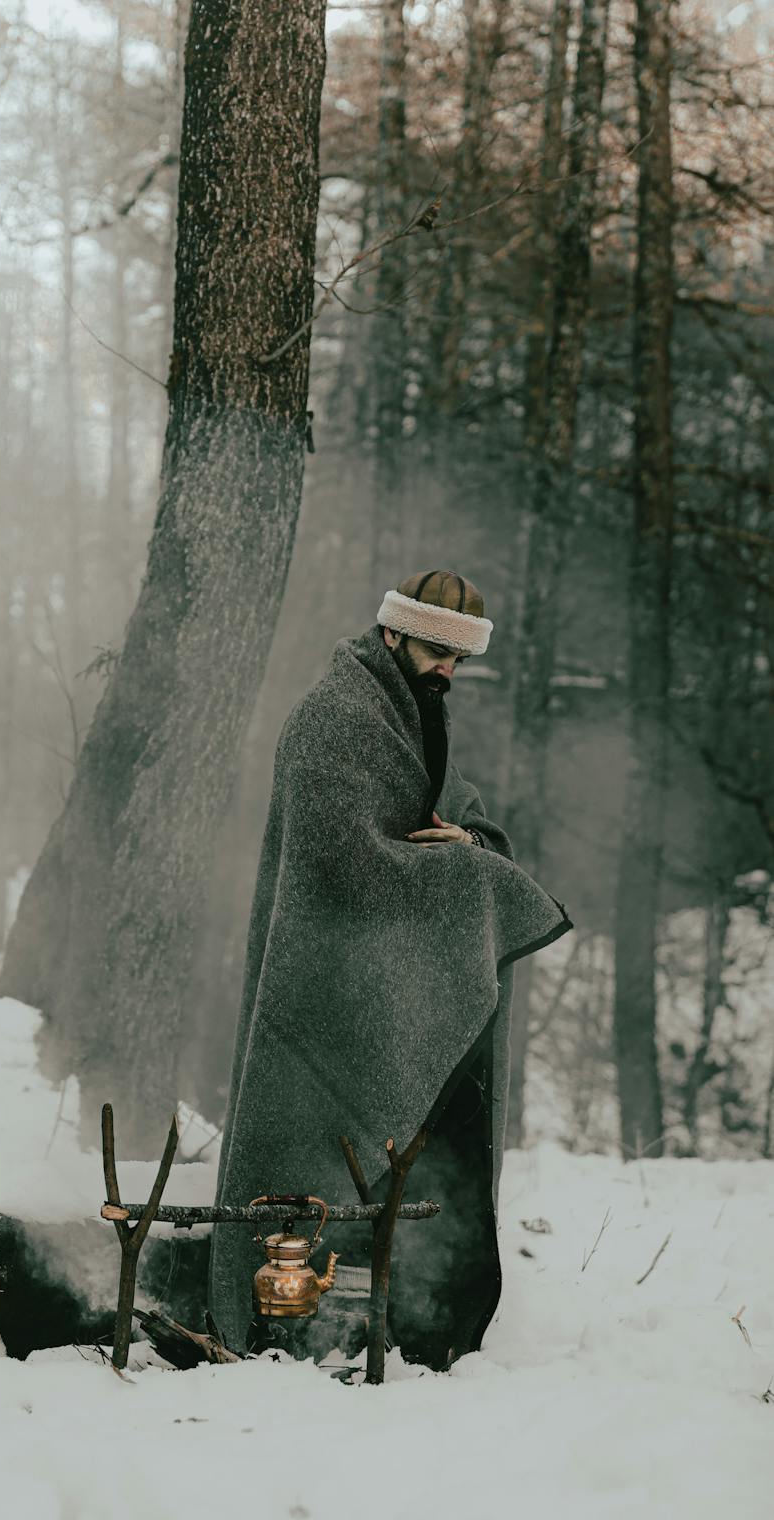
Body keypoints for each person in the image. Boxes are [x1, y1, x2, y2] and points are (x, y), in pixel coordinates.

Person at [208, 570, 571, 1369]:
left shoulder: (409, 717)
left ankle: (416, 1319)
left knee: (412, 1148)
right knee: (313, 1164)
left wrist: (468, 850)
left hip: (383, 991)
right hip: (324, 987)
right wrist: (463, 873)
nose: (447, 668)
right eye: (435, 649)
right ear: (391, 634)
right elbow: (344, 864)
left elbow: (466, 820)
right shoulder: (335, 720)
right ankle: (293, 1330)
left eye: (458, 657)